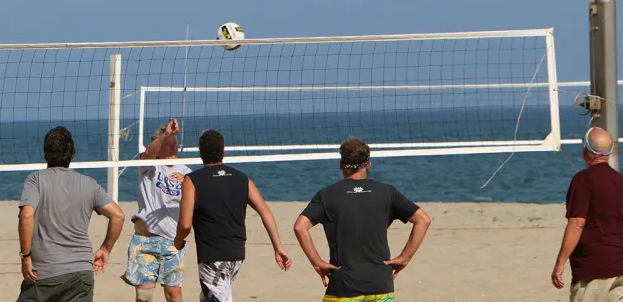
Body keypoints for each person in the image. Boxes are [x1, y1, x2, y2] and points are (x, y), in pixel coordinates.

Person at [293, 137, 431, 302]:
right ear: (368, 165)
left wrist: (317, 262)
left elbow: (300, 227)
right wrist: (404, 258)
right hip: (380, 285)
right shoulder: (387, 192)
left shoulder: (327, 195)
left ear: (341, 164)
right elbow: (423, 220)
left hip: (343, 286)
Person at [174, 129, 292, 302]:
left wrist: (177, 242)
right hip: (236, 253)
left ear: (200, 153)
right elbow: (264, 210)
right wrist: (278, 246)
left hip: (213, 256)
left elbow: (185, 225)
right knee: (208, 297)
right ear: (223, 151)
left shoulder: (191, 180)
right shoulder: (242, 178)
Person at [18, 126, 125, 302]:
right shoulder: (89, 183)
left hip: (45, 273)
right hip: (81, 273)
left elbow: (26, 216)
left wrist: (26, 256)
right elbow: (118, 216)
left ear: (45, 153)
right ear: (72, 154)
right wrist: (105, 249)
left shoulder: (35, 180)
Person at [551, 126, 623, 301]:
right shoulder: (622, 182)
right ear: (610, 151)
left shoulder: (583, 180)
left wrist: (560, 263)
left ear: (585, 149)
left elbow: (577, 223)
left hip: (594, 270)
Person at [122, 118, 191, 302]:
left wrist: (186, 183)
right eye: (168, 144)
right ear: (159, 146)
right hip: (146, 239)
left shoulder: (186, 172)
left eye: (175, 144)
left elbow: (195, 202)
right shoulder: (149, 166)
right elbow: (147, 154)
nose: (172, 148)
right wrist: (165, 135)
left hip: (173, 241)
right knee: (144, 296)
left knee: (174, 294)